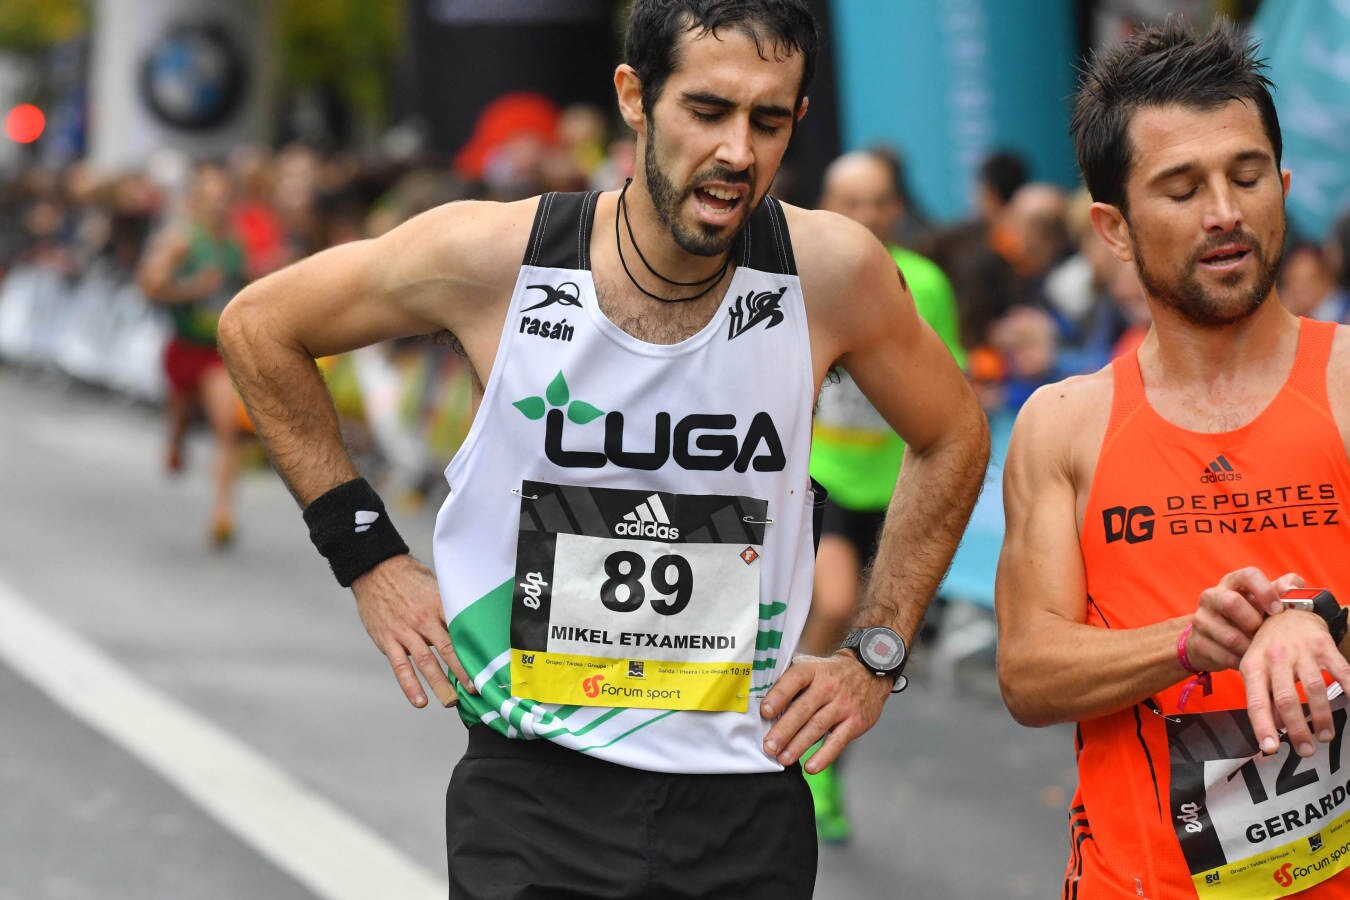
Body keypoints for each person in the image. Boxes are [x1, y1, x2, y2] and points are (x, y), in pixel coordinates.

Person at [219, 1, 988, 896]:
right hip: (536, 789)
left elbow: (954, 433)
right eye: (707, 111)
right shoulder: (498, 257)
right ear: (634, 96)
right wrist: (369, 558)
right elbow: (259, 326)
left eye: (767, 120)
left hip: (743, 795)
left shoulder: (830, 273)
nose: (738, 152)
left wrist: (875, 654)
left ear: (798, 123)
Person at [996, 20, 1350, 898]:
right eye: (1181, 188)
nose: (1225, 212)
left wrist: (1316, 624)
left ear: (1284, 184)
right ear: (1113, 228)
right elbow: (1029, 672)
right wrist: (1192, 642)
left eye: (1246, 175)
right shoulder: (1065, 424)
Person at [802, 147, 966, 842]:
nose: (866, 214)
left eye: (878, 200)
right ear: (829, 207)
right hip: (826, 479)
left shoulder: (925, 284)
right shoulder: (809, 274)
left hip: (897, 492)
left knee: (872, 645)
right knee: (834, 604)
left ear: (897, 207)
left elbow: (952, 397)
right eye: (851, 200)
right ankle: (797, 746)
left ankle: (825, 760)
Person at [136, 161, 247, 546]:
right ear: (196, 200)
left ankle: (222, 511)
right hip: (184, 346)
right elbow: (149, 285)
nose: (217, 205)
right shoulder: (182, 240)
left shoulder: (234, 242)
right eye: (209, 197)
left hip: (217, 351)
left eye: (223, 197)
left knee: (227, 427)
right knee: (182, 415)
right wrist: (193, 289)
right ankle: (176, 438)